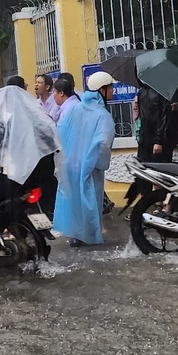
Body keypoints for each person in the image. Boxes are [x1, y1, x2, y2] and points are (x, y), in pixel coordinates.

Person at [53, 71, 116, 246]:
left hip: (71, 165)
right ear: (102, 90)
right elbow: (103, 144)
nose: (113, 91)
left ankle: (75, 235)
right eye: (110, 88)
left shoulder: (75, 108)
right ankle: (89, 237)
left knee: (75, 202)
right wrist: (101, 163)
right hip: (90, 166)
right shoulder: (102, 115)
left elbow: (61, 133)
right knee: (90, 203)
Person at [123, 73, 170, 209]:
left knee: (159, 175)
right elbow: (142, 118)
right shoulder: (142, 92)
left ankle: (161, 206)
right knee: (144, 175)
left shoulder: (161, 93)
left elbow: (163, 118)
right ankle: (145, 206)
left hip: (157, 141)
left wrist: (159, 140)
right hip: (144, 140)